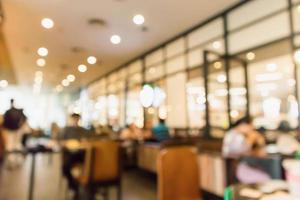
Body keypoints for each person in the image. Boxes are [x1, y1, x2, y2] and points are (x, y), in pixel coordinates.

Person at [59, 113, 89, 199]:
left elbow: (88, 141)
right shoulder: (66, 130)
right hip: (69, 153)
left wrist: (84, 142)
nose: (76, 121)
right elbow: (60, 142)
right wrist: (68, 143)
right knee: (65, 167)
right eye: (74, 119)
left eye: (77, 119)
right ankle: (74, 187)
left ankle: (90, 186)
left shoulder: (83, 130)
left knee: (92, 164)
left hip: (82, 153)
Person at [2, 99, 27, 168]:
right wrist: (20, 125)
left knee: (11, 146)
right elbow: (24, 119)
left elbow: (4, 123)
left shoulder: (9, 112)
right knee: (16, 145)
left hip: (12, 131)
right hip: (15, 131)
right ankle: (16, 161)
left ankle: (13, 161)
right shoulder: (16, 111)